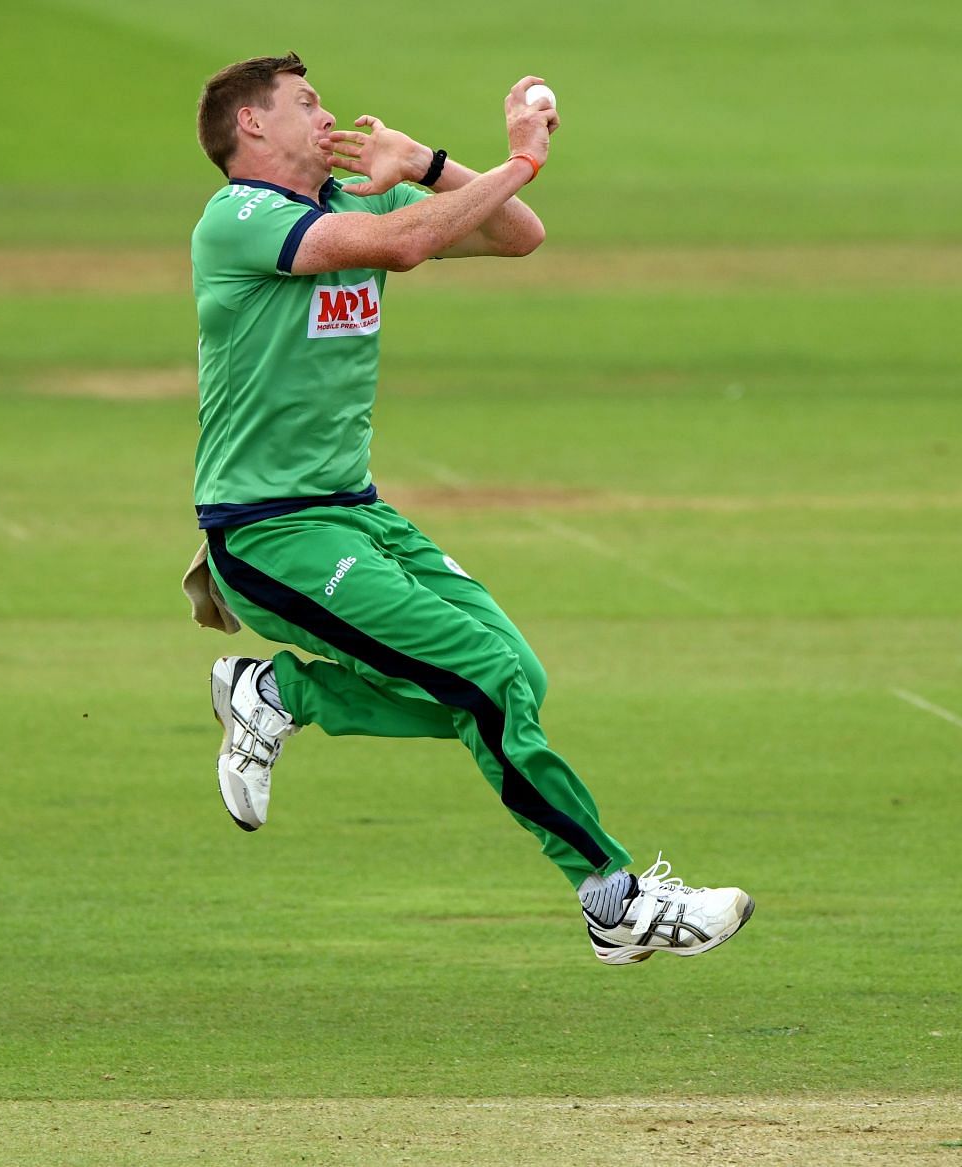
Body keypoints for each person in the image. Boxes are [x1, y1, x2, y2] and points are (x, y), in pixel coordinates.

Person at [185, 52, 752, 965]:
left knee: (511, 677)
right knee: (483, 678)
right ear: (254, 125)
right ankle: (612, 896)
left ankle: (279, 691)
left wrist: (430, 164)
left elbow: (518, 235)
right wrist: (519, 156)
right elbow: (409, 245)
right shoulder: (239, 220)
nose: (326, 111)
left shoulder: (354, 204)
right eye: (306, 101)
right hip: (268, 533)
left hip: (354, 512)